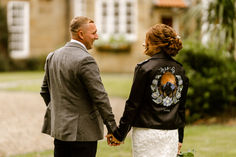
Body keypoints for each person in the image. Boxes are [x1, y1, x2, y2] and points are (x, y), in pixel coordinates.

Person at [107, 24, 189, 157]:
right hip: (171, 135)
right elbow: (181, 108)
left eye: (146, 40)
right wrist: (180, 137)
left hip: (146, 133)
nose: (144, 44)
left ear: (153, 43)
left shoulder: (144, 68)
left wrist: (120, 134)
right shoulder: (180, 70)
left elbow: (133, 104)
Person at [40, 16, 117, 157]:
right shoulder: (86, 60)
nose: (97, 36)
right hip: (83, 135)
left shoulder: (52, 56)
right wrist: (113, 128)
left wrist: (60, 115)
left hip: (60, 131)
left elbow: (44, 91)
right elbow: (100, 97)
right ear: (81, 34)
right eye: (93, 33)